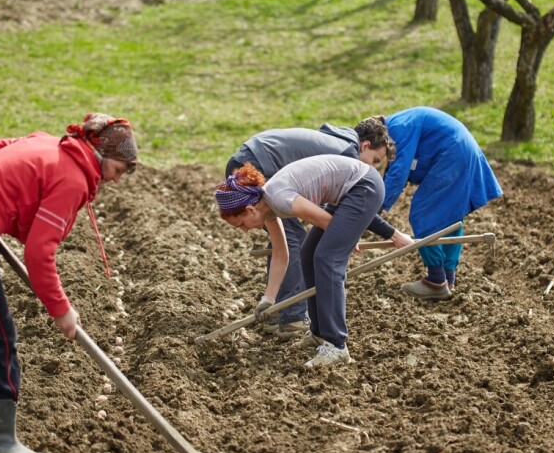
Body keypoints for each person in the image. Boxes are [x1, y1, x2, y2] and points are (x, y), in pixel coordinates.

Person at [0, 112, 138, 453]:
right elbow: (39, 252)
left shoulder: (47, 142)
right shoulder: (73, 179)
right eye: (117, 170)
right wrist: (61, 310)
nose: (114, 180)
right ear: (100, 155)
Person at [224, 118, 412, 339]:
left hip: (251, 159)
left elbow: (342, 208)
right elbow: (348, 209)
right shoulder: (346, 155)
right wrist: (389, 234)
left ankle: (280, 313)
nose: (370, 166)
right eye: (374, 160)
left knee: (294, 240)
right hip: (256, 165)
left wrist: (343, 235)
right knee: (295, 240)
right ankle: (291, 318)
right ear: (365, 146)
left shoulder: (337, 145)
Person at [215, 154, 399, 368]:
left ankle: (336, 345)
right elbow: (281, 253)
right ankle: (319, 333)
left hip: (363, 186)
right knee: (307, 253)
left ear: (249, 209)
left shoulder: (280, 198)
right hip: (349, 191)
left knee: (326, 259)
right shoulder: (268, 208)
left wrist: (347, 236)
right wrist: (268, 299)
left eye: (241, 225)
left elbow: (326, 221)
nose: (245, 230)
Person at [376, 106, 502, 300]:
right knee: (450, 217)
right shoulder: (398, 125)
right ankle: (447, 279)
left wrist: (376, 208)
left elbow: (399, 171)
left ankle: (436, 281)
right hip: (460, 150)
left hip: (453, 153)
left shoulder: (398, 128)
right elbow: (397, 168)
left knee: (423, 213)